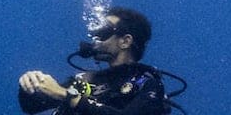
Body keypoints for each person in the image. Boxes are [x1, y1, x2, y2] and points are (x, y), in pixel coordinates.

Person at [17, 8, 175, 114]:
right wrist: (29, 85)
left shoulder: (146, 83)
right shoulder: (86, 81)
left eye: (105, 31)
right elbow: (31, 106)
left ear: (125, 41)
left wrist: (66, 96)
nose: (96, 39)